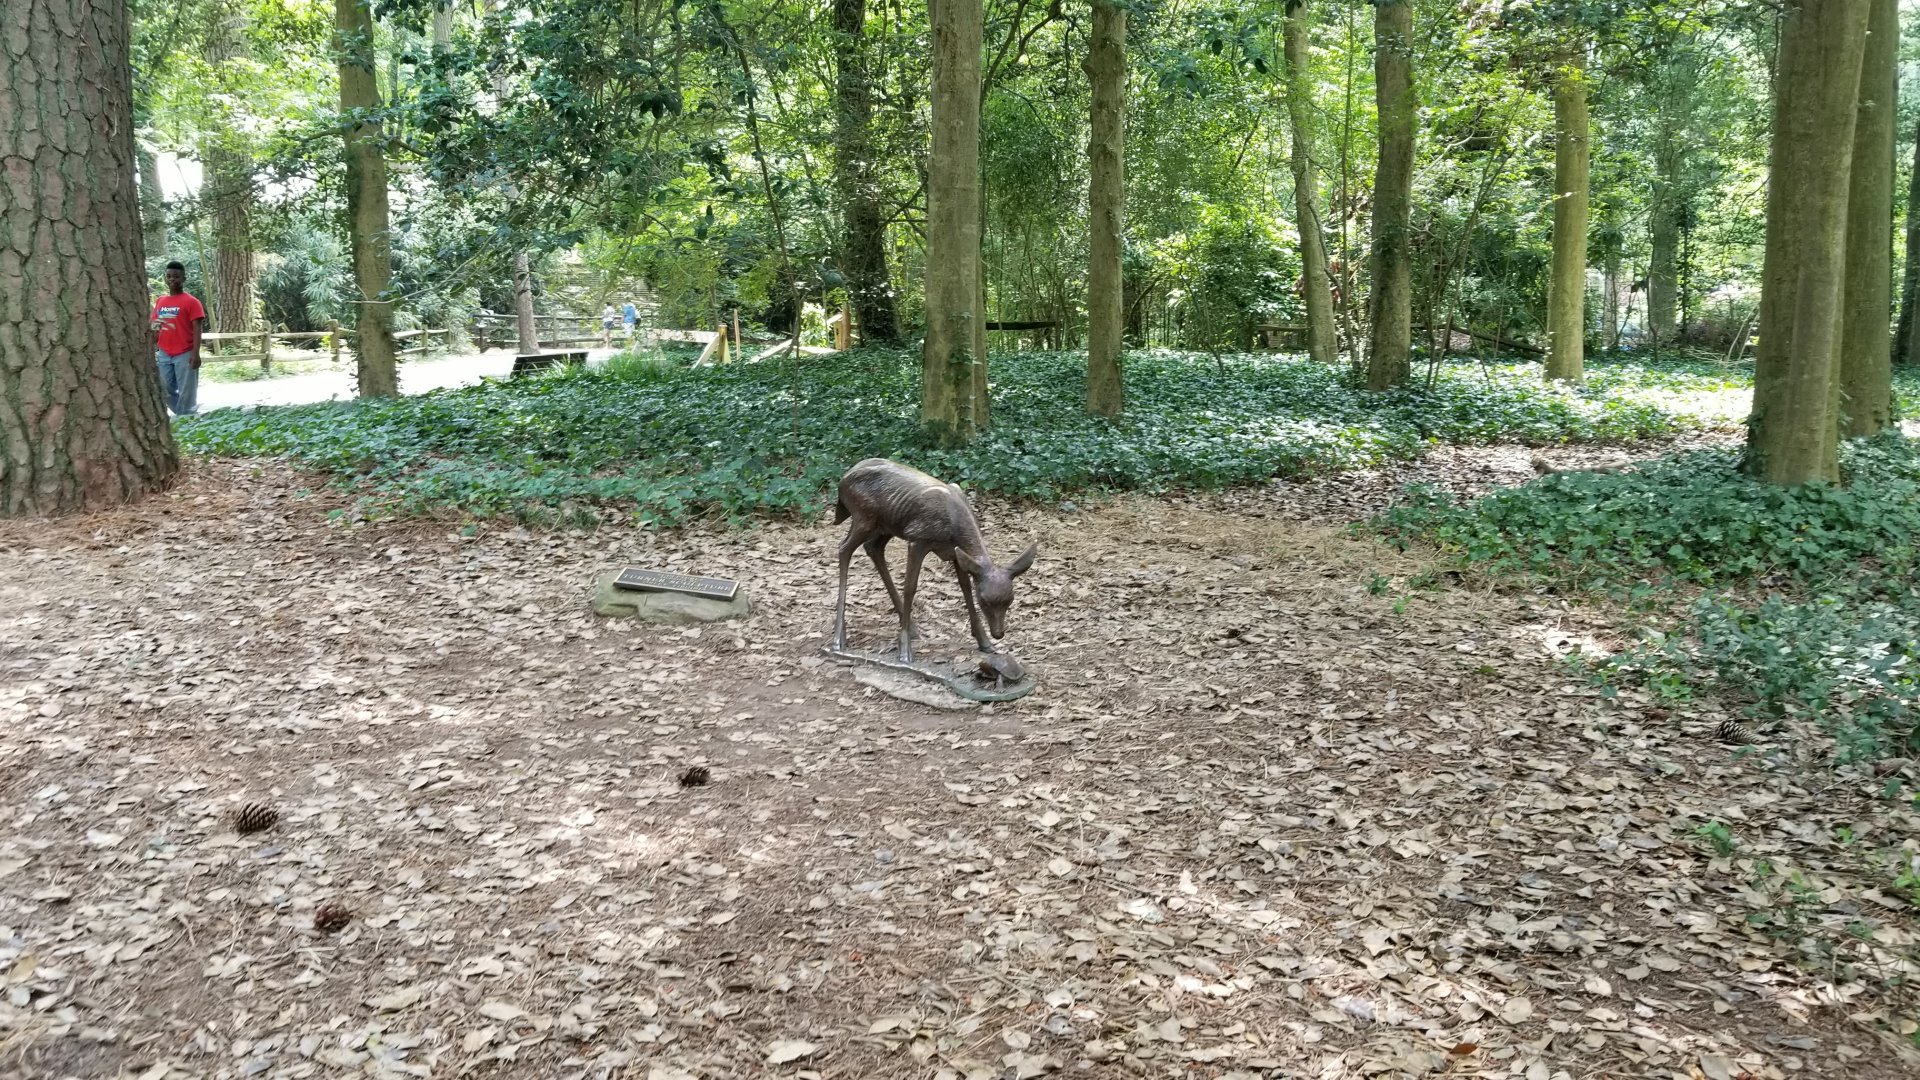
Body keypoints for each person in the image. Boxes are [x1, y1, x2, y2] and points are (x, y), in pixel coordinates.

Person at [150, 261, 207, 416]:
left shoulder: (192, 302)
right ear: (165, 279)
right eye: (169, 276)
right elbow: (156, 324)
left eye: (176, 276)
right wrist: (152, 343)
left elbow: (197, 328)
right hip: (164, 352)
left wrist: (196, 353)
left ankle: (187, 420)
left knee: (187, 392)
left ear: (183, 279)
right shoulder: (161, 301)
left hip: (185, 352)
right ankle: (184, 415)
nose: (172, 279)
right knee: (164, 389)